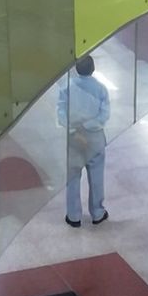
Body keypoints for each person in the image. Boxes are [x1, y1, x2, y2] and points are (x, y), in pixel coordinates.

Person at [57, 55, 110, 228]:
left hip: (74, 139)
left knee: (73, 177)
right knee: (96, 176)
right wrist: (88, 126)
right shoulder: (101, 89)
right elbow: (104, 116)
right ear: (93, 68)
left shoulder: (66, 88)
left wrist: (75, 130)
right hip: (94, 139)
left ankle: (73, 216)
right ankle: (97, 212)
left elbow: (61, 115)